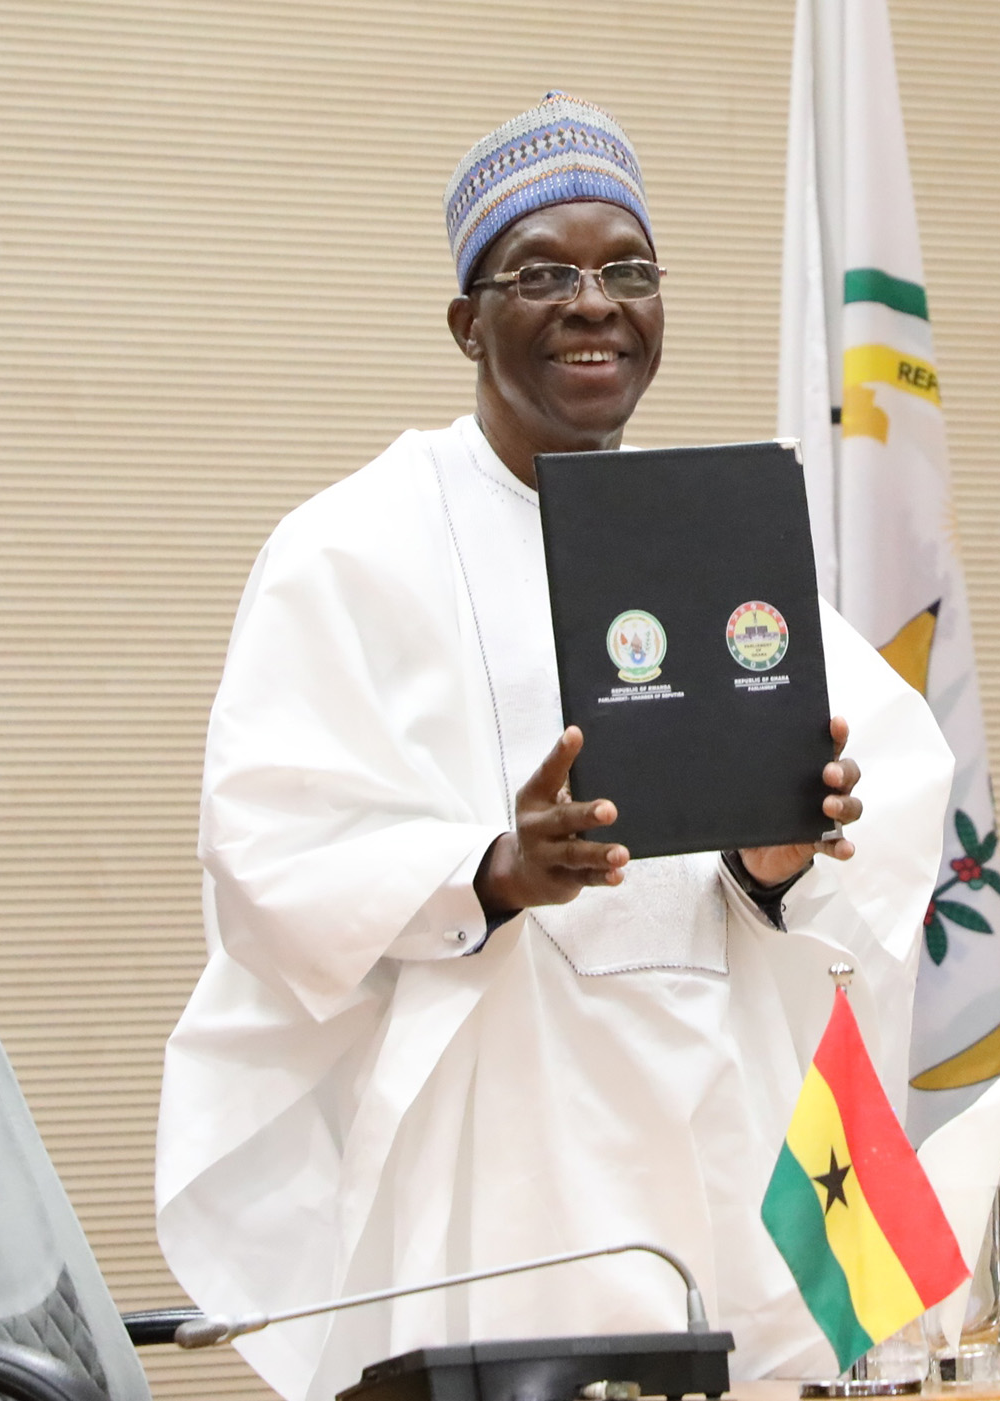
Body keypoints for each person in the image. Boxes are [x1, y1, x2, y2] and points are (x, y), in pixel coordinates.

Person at [155, 94, 953, 1400]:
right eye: (544, 274)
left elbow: (885, 798)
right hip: (500, 1114)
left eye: (626, 270)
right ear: (466, 321)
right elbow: (267, 847)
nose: (594, 302)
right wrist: (489, 868)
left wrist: (780, 857)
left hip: (720, 1107)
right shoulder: (351, 546)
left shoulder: (722, 535)